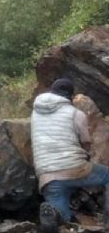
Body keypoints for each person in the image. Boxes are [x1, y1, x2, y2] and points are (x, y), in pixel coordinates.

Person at [31, 78, 109, 232]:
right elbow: (86, 142)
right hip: (74, 168)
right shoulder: (75, 113)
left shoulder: (35, 113)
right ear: (70, 96)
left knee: (63, 221)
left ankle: (55, 218)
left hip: (47, 175)